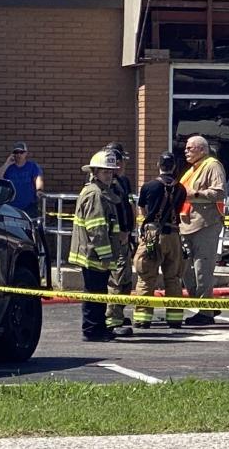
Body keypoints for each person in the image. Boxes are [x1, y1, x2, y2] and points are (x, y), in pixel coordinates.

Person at [69, 149, 122, 342]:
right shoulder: (95, 195)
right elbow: (97, 229)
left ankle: (99, 327)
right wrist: (106, 256)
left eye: (110, 171)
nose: (109, 175)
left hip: (96, 253)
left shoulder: (102, 192)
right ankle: (92, 330)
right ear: (95, 172)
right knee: (94, 293)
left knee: (99, 293)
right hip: (94, 254)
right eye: (105, 172)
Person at [133, 152, 188, 330]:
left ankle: (143, 318)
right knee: (173, 278)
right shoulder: (181, 189)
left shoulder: (148, 186)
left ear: (159, 165)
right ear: (173, 167)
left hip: (151, 237)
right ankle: (174, 318)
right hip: (173, 236)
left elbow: (142, 208)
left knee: (146, 277)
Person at [179, 135, 226, 326]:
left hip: (205, 224)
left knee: (202, 269)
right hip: (187, 225)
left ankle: (205, 313)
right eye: (186, 148)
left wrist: (194, 195)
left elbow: (220, 192)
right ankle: (205, 305)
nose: (186, 151)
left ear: (202, 150)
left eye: (190, 148)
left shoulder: (212, 165)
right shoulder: (193, 169)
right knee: (186, 270)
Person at [104, 142, 136, 336]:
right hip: (116, 239)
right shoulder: (108, 185)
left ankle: (118, 314)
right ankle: (112, 320)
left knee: (125, 280)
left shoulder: (123, 182)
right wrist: (120, 233)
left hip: (126, 237)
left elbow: (128, 207)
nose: (123, 164)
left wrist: (131, 231)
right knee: (116, 280)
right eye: (121, 160)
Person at [0, 142, 44, 218]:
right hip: (11, 206)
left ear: (26, 153)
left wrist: (39, 190)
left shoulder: (32, 166)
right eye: (16, 152)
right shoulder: (8, 167)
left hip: (29, 206)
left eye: (21, 152)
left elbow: (38, 178)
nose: (19, 155)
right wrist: (7, 163)